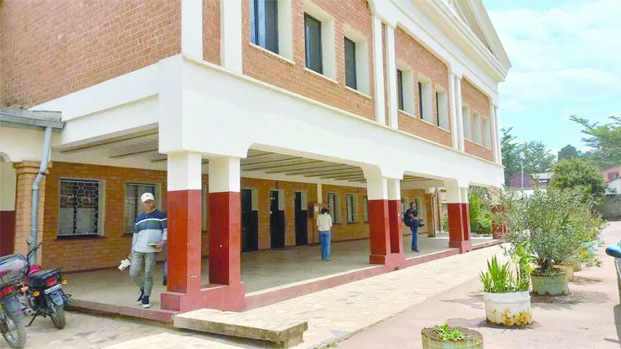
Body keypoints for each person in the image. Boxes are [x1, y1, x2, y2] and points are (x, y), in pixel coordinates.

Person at [128, 192, 167, 308]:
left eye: (150, 201)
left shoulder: (160, 215)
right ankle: (143, 289)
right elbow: (135, 234)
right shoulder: (139, 217)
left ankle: (146, 297)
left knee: (149, 273)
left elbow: (166, 230)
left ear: (153, 201)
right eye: (145, 202)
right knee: (133, 273)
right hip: (138, 249)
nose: (148, 204)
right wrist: (132, 249)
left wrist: (163, 242)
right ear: (142, 204)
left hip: (152, 249)